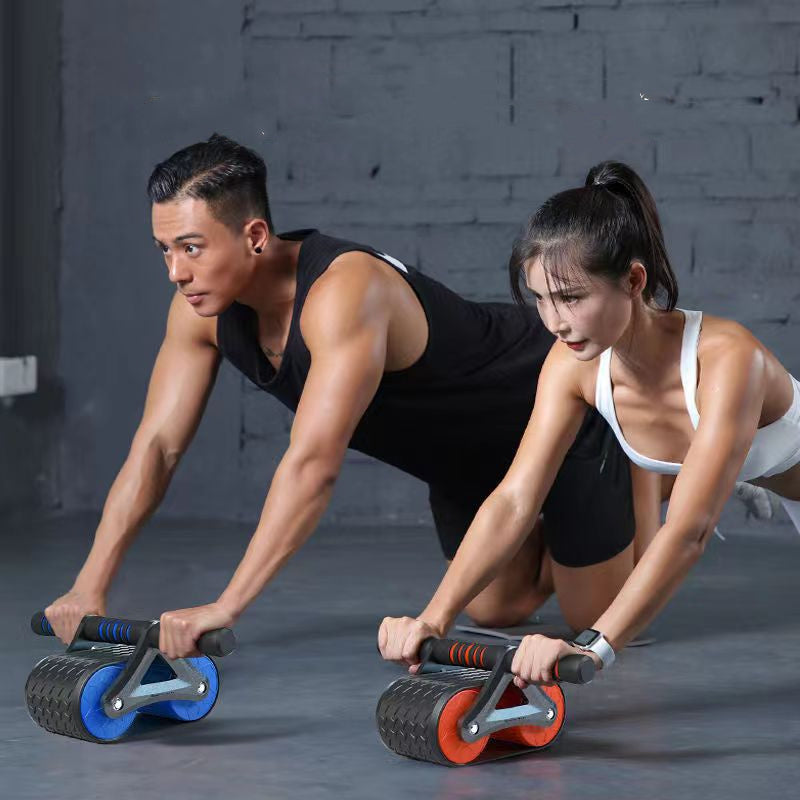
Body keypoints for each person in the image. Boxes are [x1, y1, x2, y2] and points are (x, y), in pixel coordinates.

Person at [44, 136, 654, 659]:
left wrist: (227, 605)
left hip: (557, 412)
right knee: (501, 610)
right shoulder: (199, 312)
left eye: (191, 247)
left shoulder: (344, 292)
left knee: (592, 619)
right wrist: (88, 586)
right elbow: (156, 448)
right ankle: (595, 516)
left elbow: (311, 466)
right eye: (165, 250)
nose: (176, 271)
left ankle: (653, 461)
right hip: (463, 462)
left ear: (254, 235)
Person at [378, 160, 799, 687]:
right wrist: (434, 616)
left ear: (634, 280)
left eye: (571, 297)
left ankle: (723, 475)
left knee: (692, 503)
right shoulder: (571, 363)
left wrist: (594, 647)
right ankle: (721, 474)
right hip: (704, 454)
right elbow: (515, 499)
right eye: (540, 299)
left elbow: (689, 532)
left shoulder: (727, 357)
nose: (555, 321)